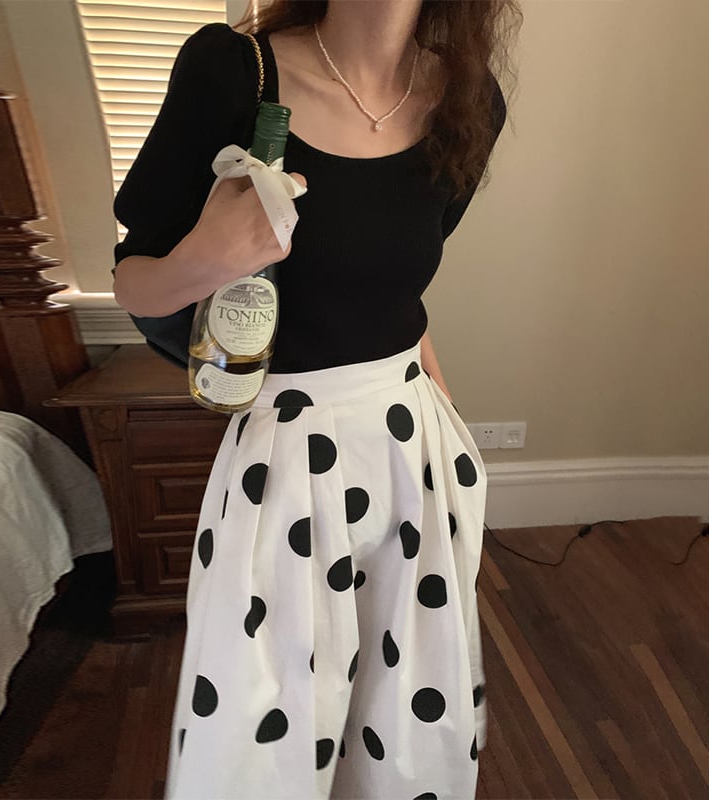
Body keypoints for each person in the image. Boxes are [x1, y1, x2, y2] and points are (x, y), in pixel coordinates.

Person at [112, 1, 520, 797]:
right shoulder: (234, 73)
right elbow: (135, 283)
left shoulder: (469, 99)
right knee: (263, 733)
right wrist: (208, 259)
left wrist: (458, 451)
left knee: (405, 718)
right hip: (285, 457)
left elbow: (397, 296)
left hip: (414, 449)